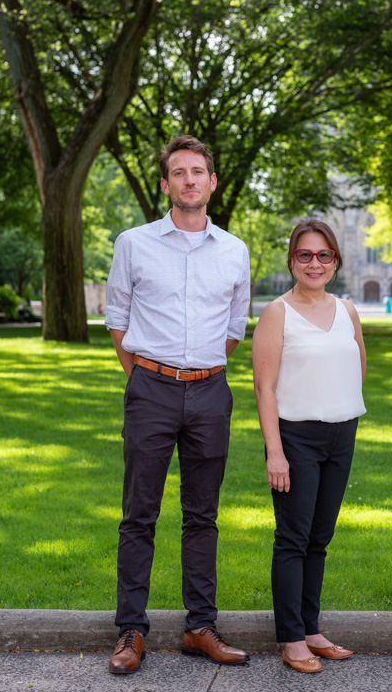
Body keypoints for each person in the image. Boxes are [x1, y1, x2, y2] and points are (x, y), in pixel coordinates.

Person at [104, 136, 252, 675]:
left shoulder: (235, 250)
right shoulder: (134, 243)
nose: (189, 181)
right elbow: (116, 319)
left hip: (211, 391)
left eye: (198, 172)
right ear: (165, 185)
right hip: (151, 389)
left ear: (212, 182)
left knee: (202, 516)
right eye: (179, 174)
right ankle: (130, 631)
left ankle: (200, 628)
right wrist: (150, 377)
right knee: (138, 515)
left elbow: (235, 326)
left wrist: (199, 373)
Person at [252, 220, 367, 674]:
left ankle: (312, 628)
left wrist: (339, 405)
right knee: (293, 539)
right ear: (292, 261)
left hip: (341, 435)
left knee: (320, 539)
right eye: (305, 255)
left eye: (324, 255)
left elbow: (358, 364)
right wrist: (275, 451)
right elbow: (263, 388)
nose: (315, 263)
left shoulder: (348, 309)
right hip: (295, 437)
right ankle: (291, 637)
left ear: (335, 261)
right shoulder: (277, 312)